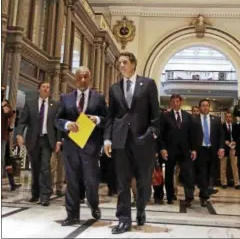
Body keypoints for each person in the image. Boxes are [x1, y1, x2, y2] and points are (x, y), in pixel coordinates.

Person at [104, 52, 160, 234]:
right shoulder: (114, 88)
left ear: (134, 64)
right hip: (120, 141)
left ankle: (141, 208)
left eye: (125, 62)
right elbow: (111, 116)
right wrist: (107, 139)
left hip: (143, 140)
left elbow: (155, 114)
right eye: (119, 62)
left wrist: (152, 134)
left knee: (144, 182)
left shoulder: (148, 84)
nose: (121, 65)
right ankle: (124, 219)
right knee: (122, 182)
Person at [56, 66, 107, 226]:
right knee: (72, 180)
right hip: (71, 146)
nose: (83, 80)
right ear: (75, 78)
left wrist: (97, 120)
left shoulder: (98, 98)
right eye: (80, 77)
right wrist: (67, 124)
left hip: (90, 146)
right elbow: (57, 120)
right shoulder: (66, 98)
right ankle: (72, 215)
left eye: (86, 77)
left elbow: (108, 119)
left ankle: (93, 203)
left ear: (90, 78)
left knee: (91, 180)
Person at [16, 82, 62, 206]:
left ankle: (45, 195)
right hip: (33, 140)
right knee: (35, 168)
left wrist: (58, 140)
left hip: (47, 140)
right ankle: (35, 193)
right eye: (44, 87)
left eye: (48, 87)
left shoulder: (55, 105)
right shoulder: (30, 103)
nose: (46, 89)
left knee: (45, 168)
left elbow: (57, 125)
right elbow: (22, 121)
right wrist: (19, 134)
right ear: (39, 89)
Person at [159, 94, 196, 206]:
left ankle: (189, 197)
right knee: (169, 175)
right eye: (173, 101)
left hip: (185, 151)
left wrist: (194, 149)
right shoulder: (165, 116)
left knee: (187, 174)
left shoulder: (188, 116)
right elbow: (161, 134)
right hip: (170, 151)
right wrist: (162, 149)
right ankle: (170, 197)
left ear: (181, 102)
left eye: (177, 101)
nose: (175, 104)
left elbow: (192, 135)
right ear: (170, 102)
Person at [191, 99, 225, 207]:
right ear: (199, 107)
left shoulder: (216, 120)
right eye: (203, 105)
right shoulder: (194, 120)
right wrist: (192, 149)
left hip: (212, 150)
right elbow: (190, 136)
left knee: (212, 172)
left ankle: (206, 190)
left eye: (207, 105)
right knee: (202, 172)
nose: (205, 107)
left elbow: (221, 135)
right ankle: (204, 196)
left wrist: (221, 148)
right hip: (200, 150)